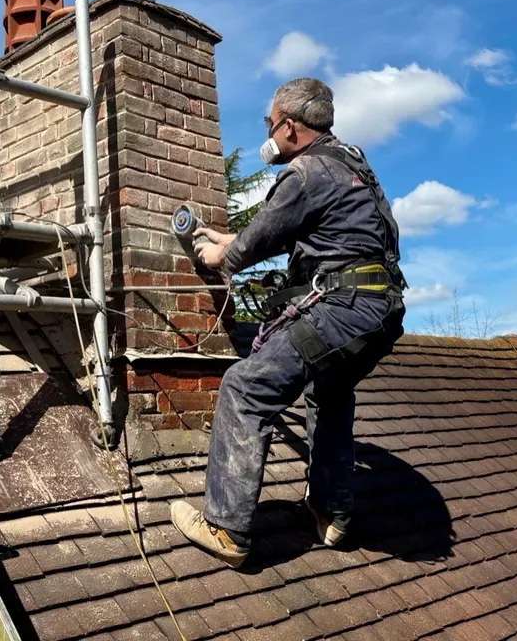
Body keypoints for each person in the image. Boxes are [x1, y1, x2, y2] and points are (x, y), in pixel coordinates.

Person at [169, 77, 407, 568]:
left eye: (269, 123)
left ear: (291, 127)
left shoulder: (304, 172)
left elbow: (249, 247)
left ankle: (226, 527)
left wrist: (222, 254)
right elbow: (287, 231)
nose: (267, 132)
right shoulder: (350, 163)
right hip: (382, 311)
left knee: (244, 386)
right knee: (330, 391)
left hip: (344, 307)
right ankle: (332, 511)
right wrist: (232, 236)